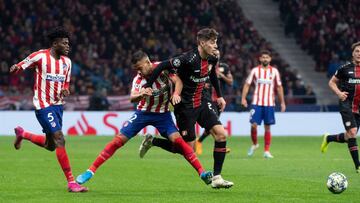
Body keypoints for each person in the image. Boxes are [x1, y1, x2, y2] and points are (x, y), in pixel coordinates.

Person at [76, 51, 213, 186]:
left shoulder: (163, 69)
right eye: (136, 69)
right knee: (118, 141)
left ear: (148, 63)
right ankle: (90, 171)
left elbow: (178, 81)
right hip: (143, 114)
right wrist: (142, 94)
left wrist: (176, 94)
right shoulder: (138, 79)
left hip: (162, 115)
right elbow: (132, 97)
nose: (139, 72)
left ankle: (202, 173)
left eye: (140, 68)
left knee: (179, 142)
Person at [139, 28, 234, 188]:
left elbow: (212, 75)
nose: (215, 45)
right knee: (188, 149)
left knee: (221, 134)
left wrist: (219, 95)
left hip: (202, 101)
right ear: (202, 43)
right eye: (212, 42)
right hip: (185, 107)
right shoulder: (187, 59)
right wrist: (148, 85)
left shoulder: (213, 57)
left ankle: (217, 177)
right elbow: (162, 65)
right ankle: (153, 141)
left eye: (216, 42)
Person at [9, 27, 88, 192]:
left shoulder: (67, 62)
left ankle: (23, 134)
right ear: (55, 43)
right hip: (43, 105)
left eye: (68, 43)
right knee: (60, 138)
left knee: (50, 145)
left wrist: (66, 89)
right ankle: (72, 182)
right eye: (65, 43)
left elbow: (66, 82)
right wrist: (16, 67)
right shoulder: (40, 56)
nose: (68, 46)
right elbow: (23, 64)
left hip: (58, 106)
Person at [321, 41, 360, 173]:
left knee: (350, 136)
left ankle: (329, 138)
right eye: (357, 51)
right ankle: (358, 166)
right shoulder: (345, 68)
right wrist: (338, 93)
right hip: (346, 105)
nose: (359, 54)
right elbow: (331, 82)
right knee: (353, 132)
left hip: (358, 108)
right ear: (352, 53)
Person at [241, 50, 286, 159]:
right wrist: (243, 98)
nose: (265, 59)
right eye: (263, 57)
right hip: (257, 102)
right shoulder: (255, 71)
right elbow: (247, 85)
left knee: (267, 127)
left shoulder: (274, 71)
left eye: (267, 57)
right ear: (260, 59)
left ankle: (266, 151)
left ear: (270, 59)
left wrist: (282, 102)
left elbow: (279, 87)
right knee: (253, 125)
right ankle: (255, 144)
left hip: (269, 103)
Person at [196, 61, 233, 155]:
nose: (215, 55)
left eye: (217, 54)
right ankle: (219, 145)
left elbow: (230, 82)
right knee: (214, 124)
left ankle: (199, 141)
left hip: (219, 100)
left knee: (212, 125)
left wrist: (221, 75)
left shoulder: (224, 67)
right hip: (208, 100)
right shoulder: (204, 66)